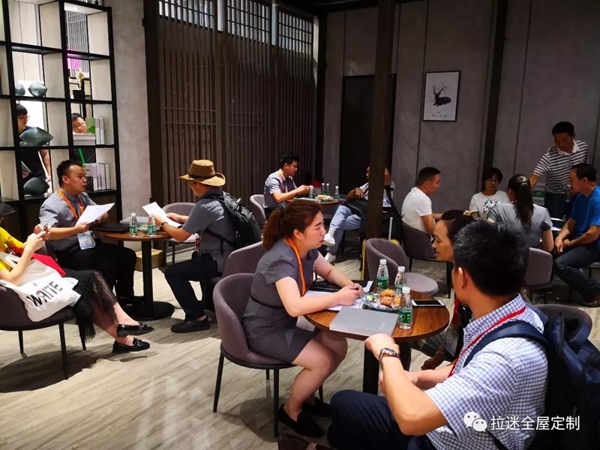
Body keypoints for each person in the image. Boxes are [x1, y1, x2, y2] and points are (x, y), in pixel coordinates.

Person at [328, 221, 548, 450]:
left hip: (450, 442)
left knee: (344, 415)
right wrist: (418, 378)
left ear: (462, 277)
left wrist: (387, 352)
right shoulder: (519, 315)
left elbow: (411, 418)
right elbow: (464, 369)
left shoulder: (503, 357)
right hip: (458, 426)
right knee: (343, 409)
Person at [242, 201, 363, 437]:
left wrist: (350, 286)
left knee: (337, 344)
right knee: (322, 360)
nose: (324, 232)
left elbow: (328, 270)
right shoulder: (281, 259)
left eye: (323, 225)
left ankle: (307, 397)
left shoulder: (306, 250)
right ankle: (291, 410)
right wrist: (338, 297)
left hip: (284, 323)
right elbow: (295, 306)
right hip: (264, 329)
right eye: (318, 227)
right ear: (298, 233)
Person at [0, 205, 152, 353]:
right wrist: (30, 248)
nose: (2, 220)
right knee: (88, 286)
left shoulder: (1, 232)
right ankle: (124, 333)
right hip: (17, 294)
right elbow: (11, 279)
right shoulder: (52, 204)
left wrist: (35, 238)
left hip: (33, 277)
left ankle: (124, 331)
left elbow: (21, 249)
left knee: (91, 282)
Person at [38, 160, 139, 304]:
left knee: (127, 255)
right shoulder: (51, 205)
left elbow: (103, 213)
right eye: (80, 177)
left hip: (89, 244)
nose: (85, 180)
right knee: (107, 264)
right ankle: (107, 304)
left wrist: (99, 217)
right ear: (65, 179)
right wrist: (76, 229)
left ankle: (125, 298)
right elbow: (48, 232)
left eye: (85, 176)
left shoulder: (82, 197)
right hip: (69, 251)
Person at [155, 160, 236, 334]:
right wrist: (180, 218)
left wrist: (161, 222)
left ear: (199, 184)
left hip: (218, 261)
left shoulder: (204, 205)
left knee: (173, 272)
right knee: (195, 258)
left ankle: (196, 317)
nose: (191, 187)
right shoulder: (224, 198)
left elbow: (180, 236)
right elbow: (210, 220)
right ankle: (209, 303)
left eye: (191, 183)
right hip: (232, 257)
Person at [417, 210, 475, 371]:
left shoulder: (476, 279)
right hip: (460, 347)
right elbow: (456, 325)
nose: (433, 245)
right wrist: (439, 357)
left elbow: (475, 353)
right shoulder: (460, 270)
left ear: (458, 243)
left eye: (438, 240)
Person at [322, 166, 394, 264]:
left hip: (374, 217)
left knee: (338, 223)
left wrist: (376, 164)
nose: (366, 174)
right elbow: (348, 197)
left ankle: (331, 252)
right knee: (342, 209)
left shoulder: (387, 183)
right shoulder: (367, 185)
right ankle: (330, 237)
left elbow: (386, 174)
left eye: (369, 172)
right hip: (361, 213)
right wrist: (356, 190)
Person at [554, 163, 600, 307]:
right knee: (548, 251)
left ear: (584, 180)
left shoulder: (598, 199)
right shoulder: (580, 197)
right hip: (580, 241)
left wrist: (570, 243)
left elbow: (593, 234)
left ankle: (596, 291)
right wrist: (560, 238)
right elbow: (571, 222)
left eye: (572, 180)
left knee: (561, 265)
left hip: (594, 245)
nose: (570, 184)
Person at [530, 121, 589, 219]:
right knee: (552, 222)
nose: (560, 144)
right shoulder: (549, 156)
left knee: (575, 221)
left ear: (573, 136)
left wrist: (579, 187)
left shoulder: (583, 147)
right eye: (557, 141)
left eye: (564, 140)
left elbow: (586, 170)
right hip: (555, 195)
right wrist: (524, 191)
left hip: (577, 193)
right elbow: (535, 176)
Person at [488, 174, 553, 251]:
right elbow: (549, 247)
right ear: (529, 191)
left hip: (506, 257)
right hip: (533, 258)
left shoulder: (498, 209)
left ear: (510, 191)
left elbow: (487, 237)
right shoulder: (543, 212)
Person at [17, 104, 51, 196]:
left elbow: (45, 154)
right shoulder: (6, 136)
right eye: (21, 118)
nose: (25, 120)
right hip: (17, 178)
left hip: (37, 176)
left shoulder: (33, 132)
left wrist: (49, 173)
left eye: (26, 117)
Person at [401, 167, 442, 235]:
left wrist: (444, 216)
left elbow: (427, 214)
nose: (438, 186)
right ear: (427, 184)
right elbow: (432, 231)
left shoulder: (413, 193)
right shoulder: (422, 199)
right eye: (437, 183)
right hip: (423, 239)